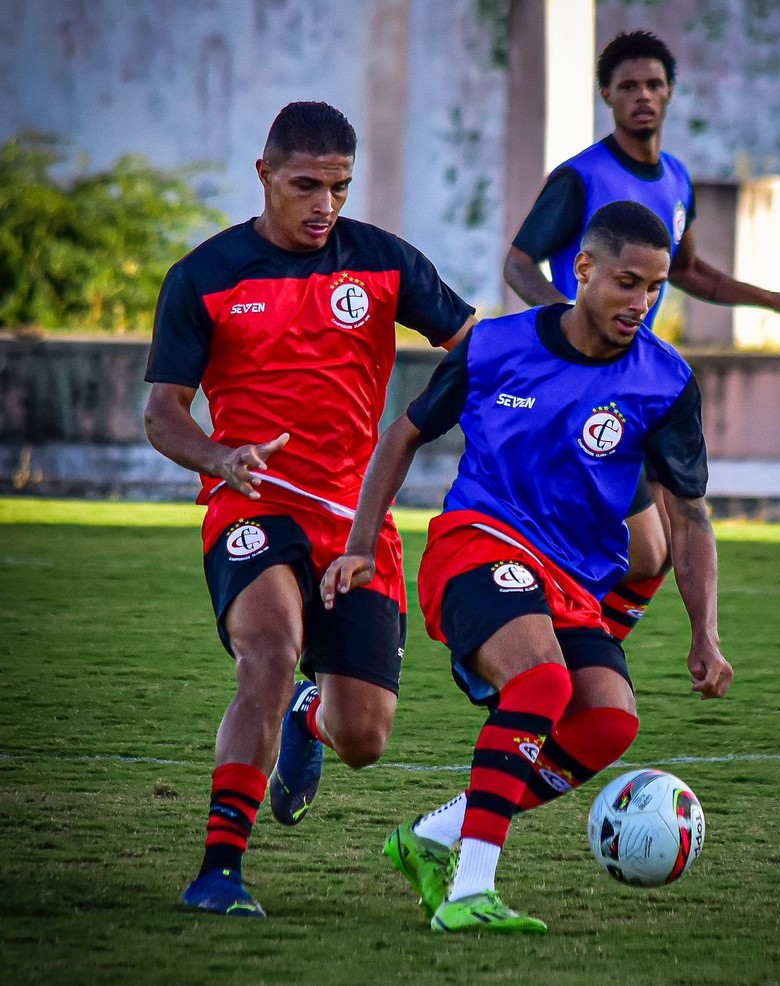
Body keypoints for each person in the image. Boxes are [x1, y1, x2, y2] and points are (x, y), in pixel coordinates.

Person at [322, 201, 733, 934]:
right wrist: (358, 543)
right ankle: (469, 891)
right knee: (543, 682)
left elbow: (688, 517)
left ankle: (431, 838)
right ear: (583, 269)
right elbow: (402, 435)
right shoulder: (495, 347)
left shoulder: (665, 381)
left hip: (572, 582)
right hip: (477, 544)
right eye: (627, 282)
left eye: (655, 287)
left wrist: (706, 633)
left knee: (607, 720)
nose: (641, 303)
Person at [143, 101, 475, 918]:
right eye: (307, 185)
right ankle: (220, 869)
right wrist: (221, 458)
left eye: (340, 187)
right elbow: (163, 412)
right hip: (250, 505)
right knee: (269, 648)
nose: (325, 204)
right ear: (265, 175)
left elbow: (478, 347)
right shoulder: (205, 275)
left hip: (356, 523)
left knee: (364, 737)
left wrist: (425, 421)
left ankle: (311, 715)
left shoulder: (385, 263)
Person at [504, 30, 780, 643]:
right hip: (584, 381)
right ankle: (548, 646)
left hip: (639, 380)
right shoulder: (580, 177)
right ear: (607, 95)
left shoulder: (676, 179)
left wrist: (777, 301)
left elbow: (688, 271)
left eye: (653, 84)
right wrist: (566, 329)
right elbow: (519, 262)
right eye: (628, 86)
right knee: (640, 544)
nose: (642, 96)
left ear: (671, 92)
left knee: (652, 550)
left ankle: (577, 653)